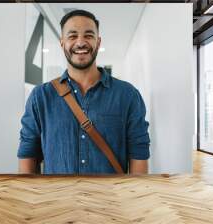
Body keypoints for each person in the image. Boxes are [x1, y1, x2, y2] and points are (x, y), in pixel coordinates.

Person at [17, 9, 150, 174]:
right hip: (56, 198)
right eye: (72, 36)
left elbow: (139, 154)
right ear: (62, 43)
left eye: (88, 35)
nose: (80, 42)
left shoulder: (128, 95)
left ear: (98, 42)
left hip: (111, 198)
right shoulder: (40, 97)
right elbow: (27, 154)